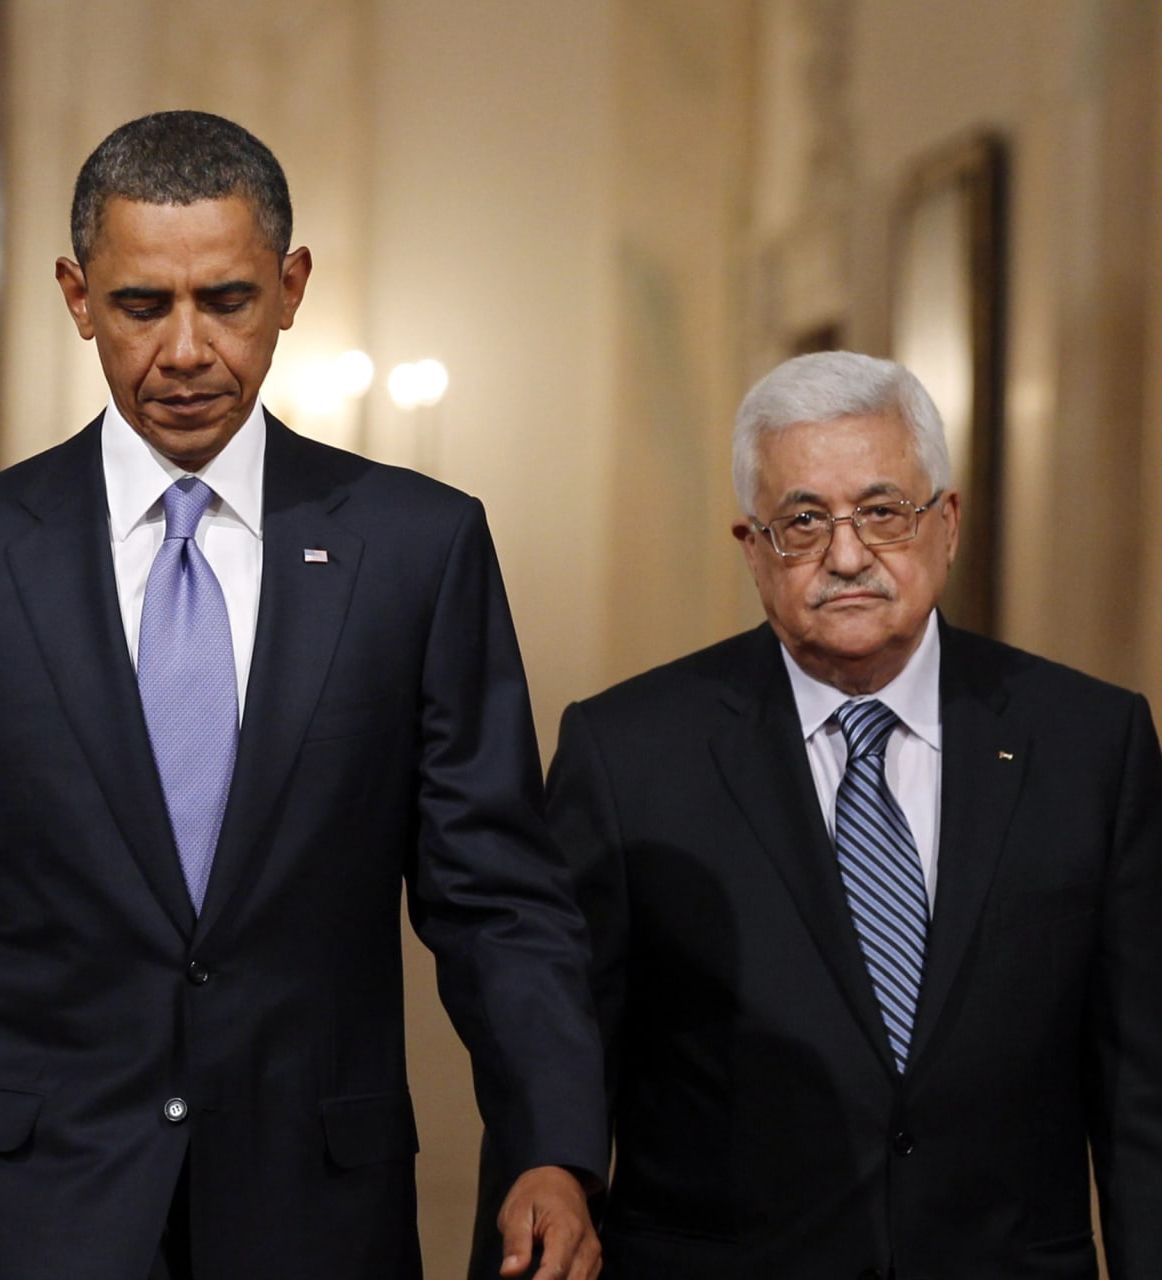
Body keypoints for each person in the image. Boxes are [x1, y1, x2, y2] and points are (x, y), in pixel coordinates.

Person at [0, 110, 606, 1280]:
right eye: (143, 305)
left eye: (227, 300)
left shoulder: (415, 547)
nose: (186, 349)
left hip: (310, 1209)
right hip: (25, 1212)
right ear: (78, 297)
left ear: (290, 288)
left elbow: (495, 894)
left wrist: (553, 1142)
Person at [477, 350, 1162, 1277]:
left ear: (947, 523)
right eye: (803, 522)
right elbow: (560, 1050)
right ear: (752, 548)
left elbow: (1141, 1085)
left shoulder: (1091, 744)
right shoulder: (629, 754)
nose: (847, 556)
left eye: (883, 512)